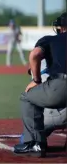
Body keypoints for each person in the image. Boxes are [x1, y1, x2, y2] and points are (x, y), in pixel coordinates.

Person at [13, 12, 67, 157]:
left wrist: (36, 81)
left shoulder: (49, 42)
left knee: (27, 97)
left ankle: (35, 144)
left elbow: (35, 55)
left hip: (59, 102)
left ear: (61, 28)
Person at [19, 59, 67, 144]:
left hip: (51, 116)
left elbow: (34, 58)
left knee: (26, 138)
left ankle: (37, 144)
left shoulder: (40, 64)